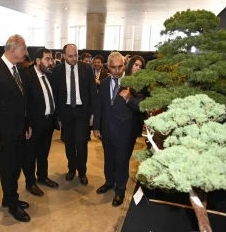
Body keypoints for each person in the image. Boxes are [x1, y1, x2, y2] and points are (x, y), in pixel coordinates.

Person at [0, 34, 32, 222]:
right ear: (12, 49)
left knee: (16, 166)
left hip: (19, 130)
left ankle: (9, 197)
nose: (26, 53)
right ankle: (12, 204)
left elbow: (23, 103)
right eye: (24, 48)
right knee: (8, 169)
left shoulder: (18, 70)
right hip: (4, 134)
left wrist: (27, 124)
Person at [93, 52, 144, 207]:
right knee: (109, 159)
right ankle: (109, 182)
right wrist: (96, 126)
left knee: (122, 161)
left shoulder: (134, 83)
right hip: (107, 130)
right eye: (113, 67)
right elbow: (99, 106)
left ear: (124, 65)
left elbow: (141, 107)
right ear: (108, 66)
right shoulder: (104, 82)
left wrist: (129, 99)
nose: (117, 70)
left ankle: (120, 190)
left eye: (120, 66)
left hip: (125, 130)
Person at [51, 43, 96, 185]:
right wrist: (57, 116)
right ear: (63, 56)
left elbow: (92, 92)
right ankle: (71, 169)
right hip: (66, 112)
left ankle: (82, 171)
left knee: (81, 143)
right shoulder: (57, 71)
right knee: (69, 142)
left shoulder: (87, 68)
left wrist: (93, 113)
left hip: (82, 111)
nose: (74, 58)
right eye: (70, 56)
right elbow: (55, 95)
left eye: (76, 55)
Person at [22, 48, 59, 197]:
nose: (51, 63)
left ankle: (42, 177)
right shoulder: (27, 77)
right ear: (37, 61)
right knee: (30, 155)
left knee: (44, 152)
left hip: (48, 122)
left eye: (51, 59)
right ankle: (30, 183)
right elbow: (23, 104)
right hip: (33, 124)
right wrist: (26, 124)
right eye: (47, 59)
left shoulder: (48, 76)